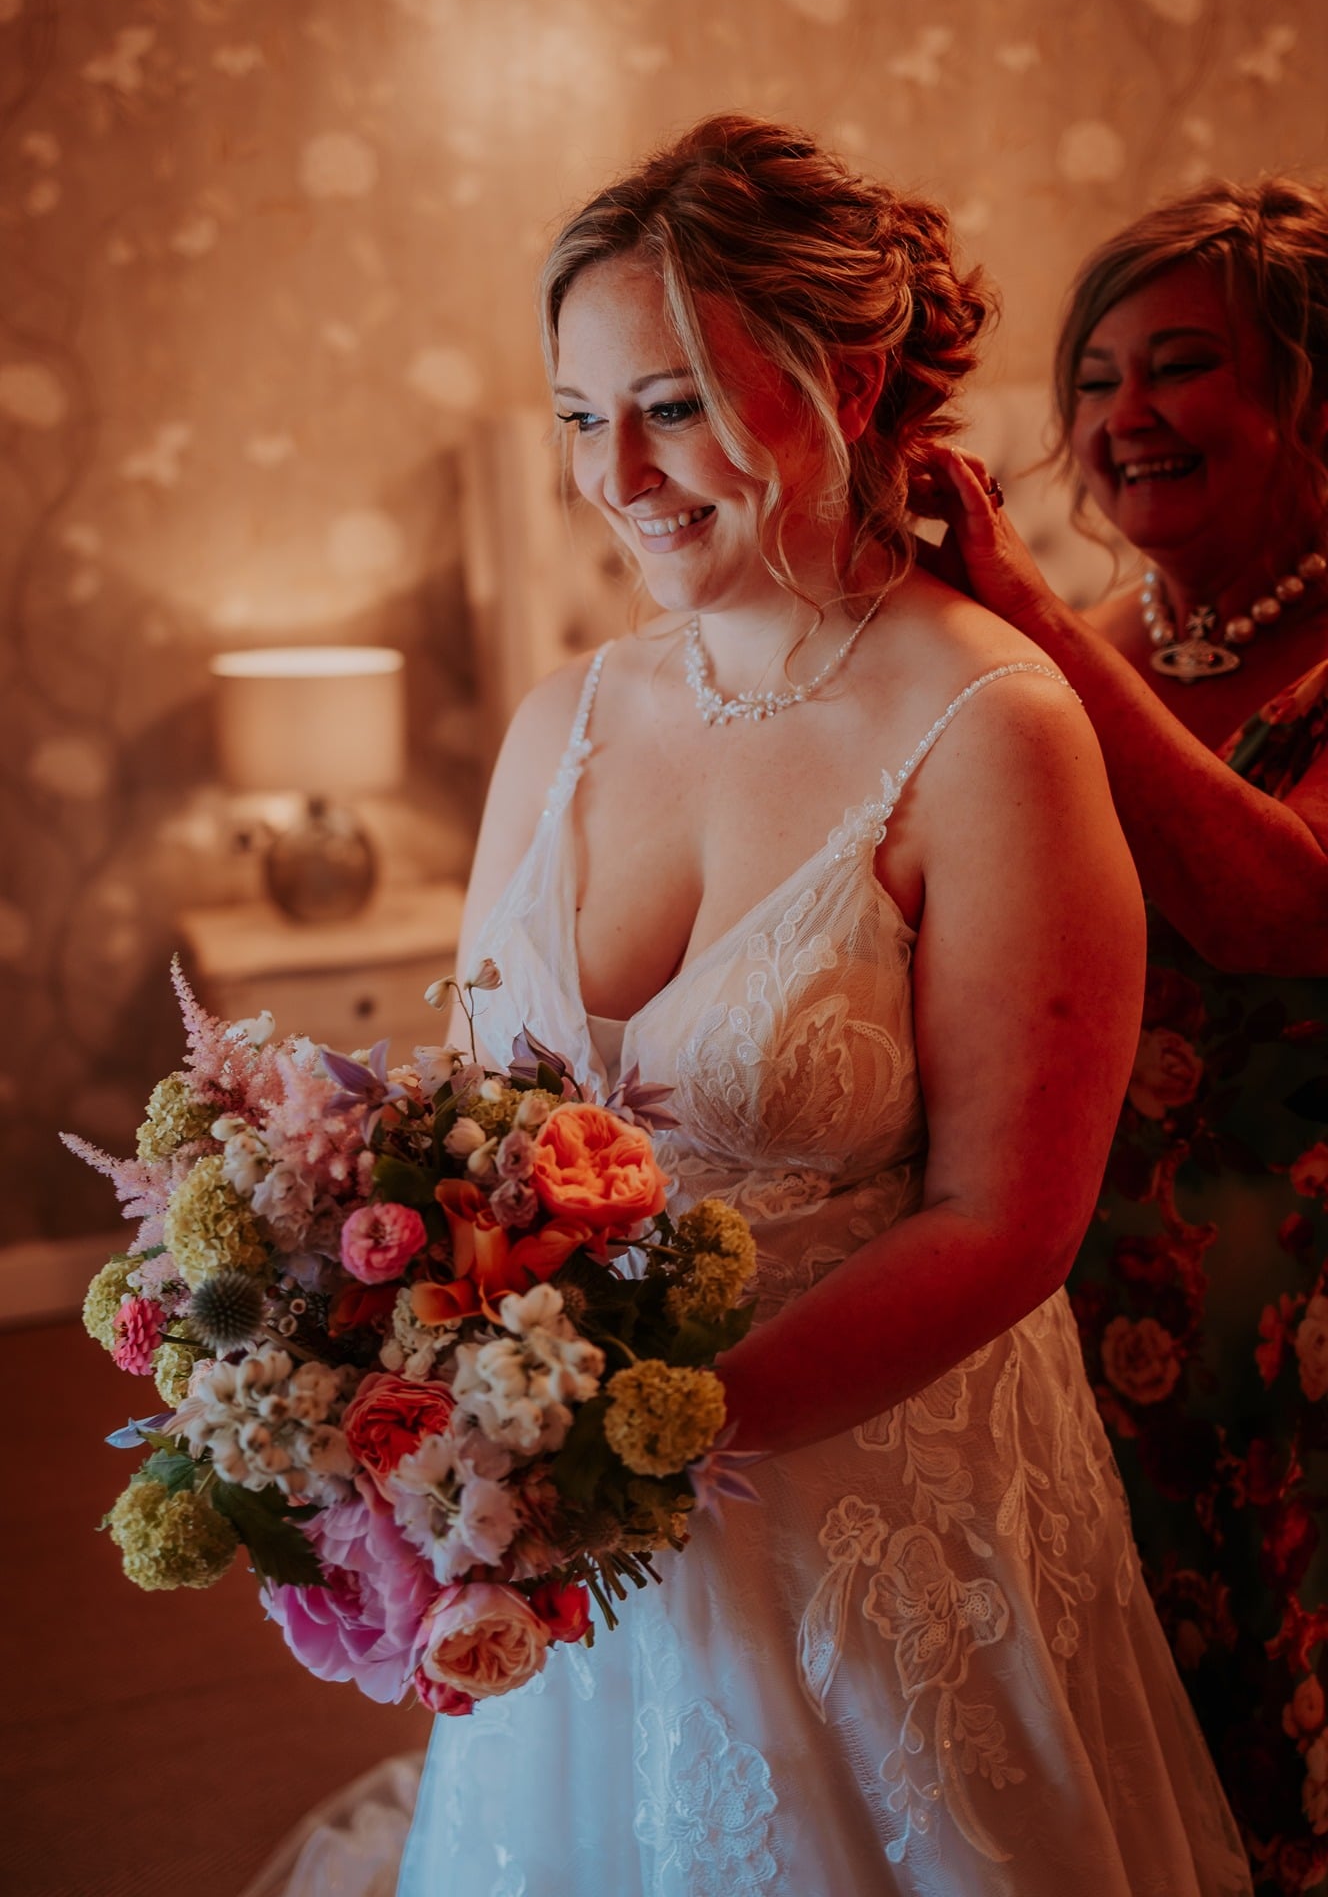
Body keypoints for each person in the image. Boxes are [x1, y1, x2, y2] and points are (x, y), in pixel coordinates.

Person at [396, 116, 1250, 1896]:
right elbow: (470, 1140)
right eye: (579, 417)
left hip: (881, 1530)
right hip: (573, 1539)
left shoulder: (992, 730)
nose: (619, 473)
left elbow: (1006, 1223)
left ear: (845, 384)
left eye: (674, 404)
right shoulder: (563, 722)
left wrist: (654, 1450)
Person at [920, 176, 1328, 1893]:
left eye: (1181, 366)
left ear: (1310, 395)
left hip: (1288, 1323)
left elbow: (1282, 910)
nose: (1124, 415)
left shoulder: (1070, 650)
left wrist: (1019, 615)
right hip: (1070, 1287)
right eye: (1094, 379)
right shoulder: (1083, 650)